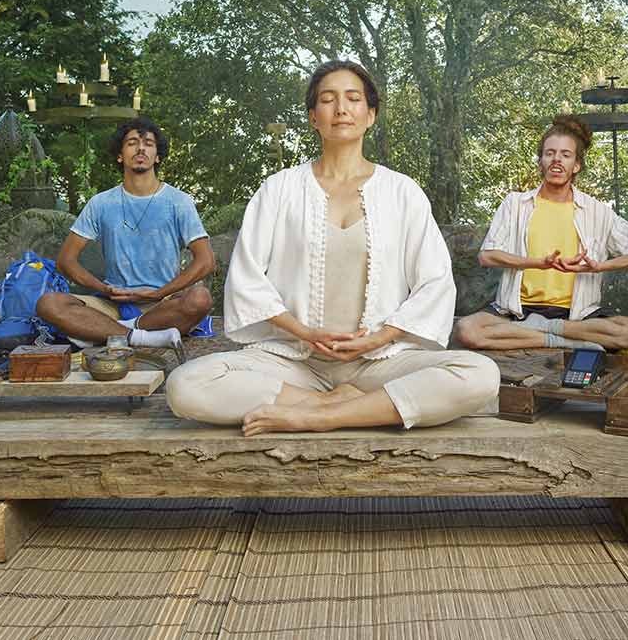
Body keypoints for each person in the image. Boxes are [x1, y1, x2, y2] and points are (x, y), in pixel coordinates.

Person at [165, 61, 499, 436]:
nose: (341, 108)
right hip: (295, 360)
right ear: (313, 117)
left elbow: (435, 282)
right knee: (185, 385)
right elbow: (247, 278)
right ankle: (336, 404)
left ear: (370, 115)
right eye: (328, 99)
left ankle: (318, 416)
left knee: (480, 375)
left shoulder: (402, 192)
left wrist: (380, 337)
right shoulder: (279, 189)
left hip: (378, 361)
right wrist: (306, 333)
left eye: (353, 98)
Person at [454, 116, 628, 353]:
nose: (556, 160)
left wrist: (599, 267)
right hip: (516, 312)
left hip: (578, 317)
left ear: (576, 165)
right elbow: (487, 256)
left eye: (565, 155)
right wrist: (536, 263)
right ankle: (554, 339)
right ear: (541, 161)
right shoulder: (515, 204)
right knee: (466, 330)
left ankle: (551, 329)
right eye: (549, 153)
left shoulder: (597, 211)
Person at [36, 115, 214, 351]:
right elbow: (66, 261)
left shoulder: (178, 202)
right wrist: (104, 289)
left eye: (149, 144)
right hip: (112, 304)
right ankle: (141, 336)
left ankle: (109, 331)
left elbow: (206, 261)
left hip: (163, 304)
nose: (141, 148)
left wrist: (159, 293)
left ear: (157, 155)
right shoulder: (101, 203)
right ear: (120, 155)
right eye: (132, 143)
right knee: (49, 304)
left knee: (200, 299)